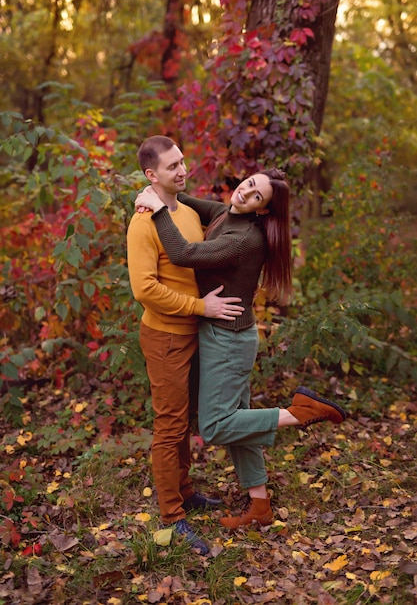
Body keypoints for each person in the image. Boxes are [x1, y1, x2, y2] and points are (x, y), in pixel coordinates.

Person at [135, 166, 347, 531]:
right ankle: (260, 505)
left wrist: (156, 211)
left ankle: (298, 413)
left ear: (263, 210)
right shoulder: (224, 213)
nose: (245, 194)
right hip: (227, 334)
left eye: (256, 197)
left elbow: (183, 253)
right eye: (249, 185)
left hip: (228, 340)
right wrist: (150, 190)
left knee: (216, 427)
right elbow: (180, 197)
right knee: (239, 422)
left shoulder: (245, 238)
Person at [127, 135, 246, 555]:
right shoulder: (143, 224)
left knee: (186, 422)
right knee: (170, 425)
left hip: (195, 333)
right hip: (164, 337)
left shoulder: (186, 211)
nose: (182, 170)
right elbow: (144, 289)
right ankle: (172, 518)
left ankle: (185, 490)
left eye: (182, 162)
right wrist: (201, 306)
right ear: (150, 175)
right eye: (172, 166)